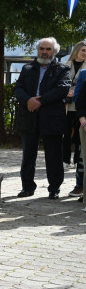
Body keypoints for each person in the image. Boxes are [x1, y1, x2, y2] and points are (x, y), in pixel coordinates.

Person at [14, 37, 70, 200]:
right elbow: (18, 89)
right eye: (42, 49)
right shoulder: (27, 68)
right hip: (29, 116)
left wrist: (40, 101)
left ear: (54, 52)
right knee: (28, 154)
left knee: (54, 155)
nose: (44, 52)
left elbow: (62, 89)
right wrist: (28, 100)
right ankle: (27, 187)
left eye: (48, 49)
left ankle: (54, 188)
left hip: (52, 117)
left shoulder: (62, 69)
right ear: (38, 50)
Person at [64, 41, 86, 196]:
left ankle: (81, 186)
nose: (85, 53)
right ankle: (66, 162)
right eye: (83, 50)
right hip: (70, 108)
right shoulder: (66, 65)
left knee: (80, 148)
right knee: (68, 139)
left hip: (80, 111)